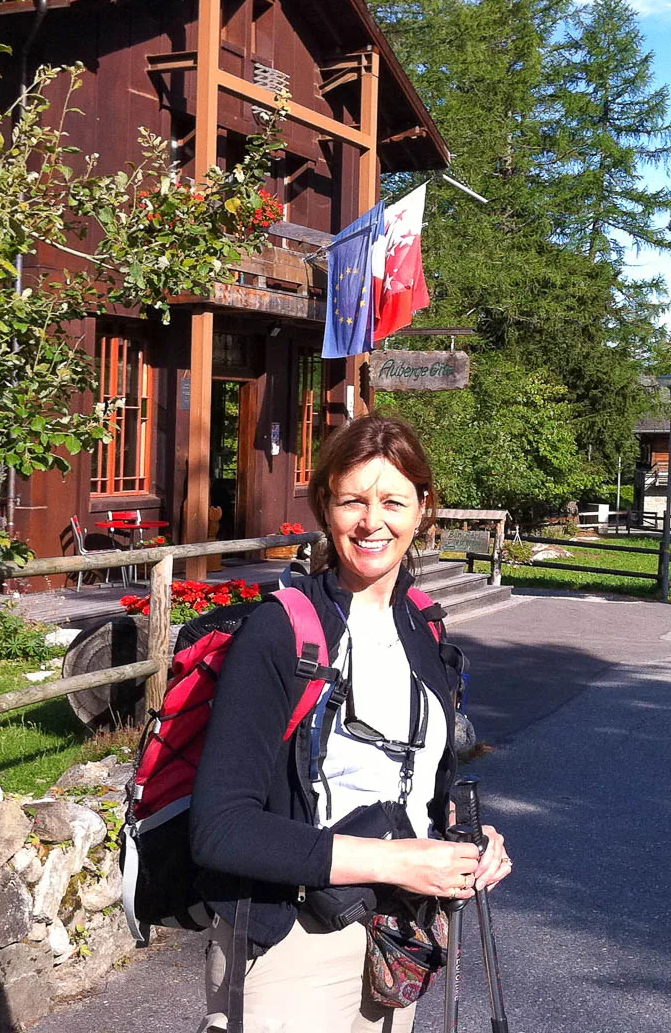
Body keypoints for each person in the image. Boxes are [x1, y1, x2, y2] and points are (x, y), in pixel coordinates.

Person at [190, 413, 512, 1033]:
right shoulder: (281, 632)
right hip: (293, 948)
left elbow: (420, 783)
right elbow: (220, 831)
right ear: (325, 510)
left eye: (393, 500)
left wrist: (464, 840)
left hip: (398, 937)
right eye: (352, 501)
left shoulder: (425, 625)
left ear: (422, 509)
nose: (372, 522)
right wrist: (393, 862)